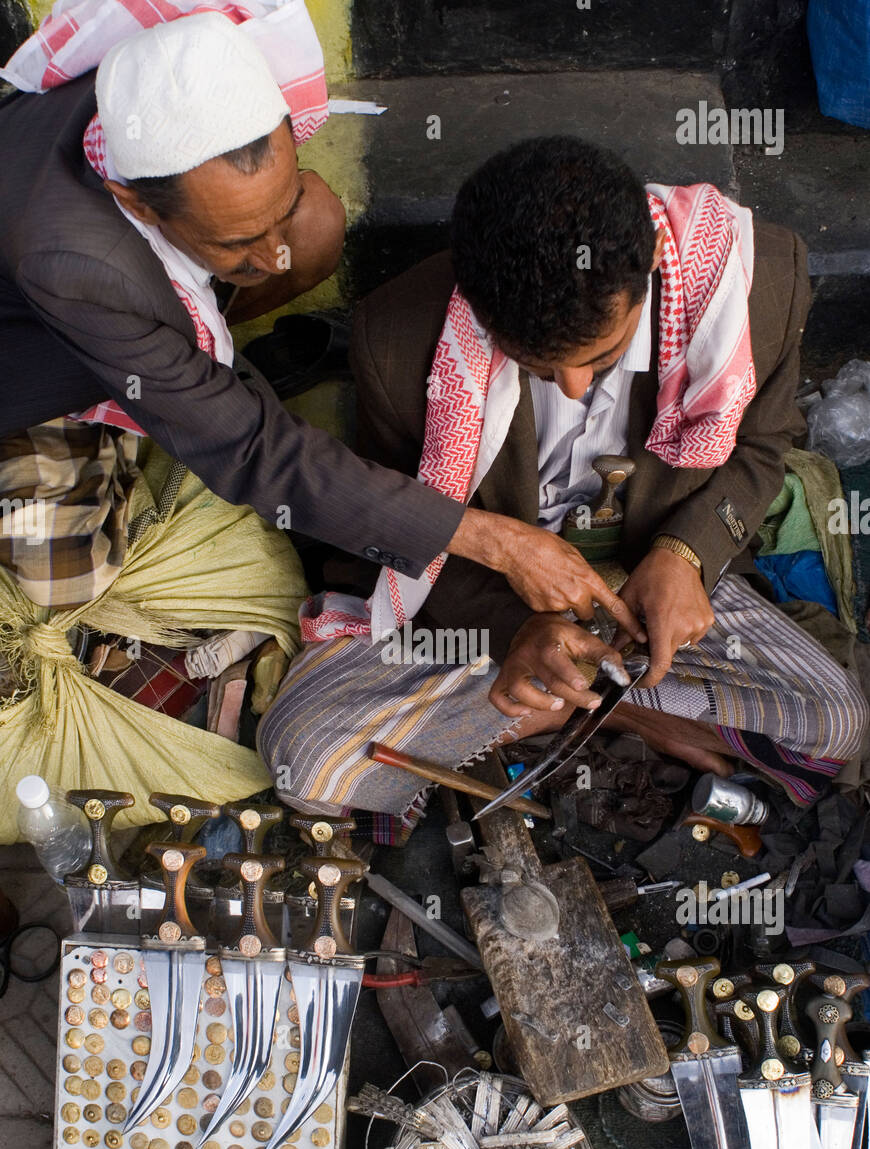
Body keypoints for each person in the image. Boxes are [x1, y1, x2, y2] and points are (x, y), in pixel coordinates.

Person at [0, 12, 628, 837]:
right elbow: (261, 452)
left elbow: (274, 237)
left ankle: (189, 378)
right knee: (64, 576)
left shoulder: (177, 83)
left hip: (130, 324)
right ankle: (161, 408)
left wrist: (262, 237)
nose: (270, 261)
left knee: (319, 225)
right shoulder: (71, 255)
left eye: (274, 208)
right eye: (235, 244)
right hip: (30, 378)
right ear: (134, 203)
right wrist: (496, 540)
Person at [259, 137, 868, 837]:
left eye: (604, 357)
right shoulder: (399, 338)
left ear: (654, 269)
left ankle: (572, 704)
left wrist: (686, 556)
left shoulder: (756, 282)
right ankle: (625, 706)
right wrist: (521, 630)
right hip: (488, 606)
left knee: (835, 721)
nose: (577, 387)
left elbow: (762, 447)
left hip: (651, 592)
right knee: (303, 760)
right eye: (539, 368)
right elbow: (406, 533)